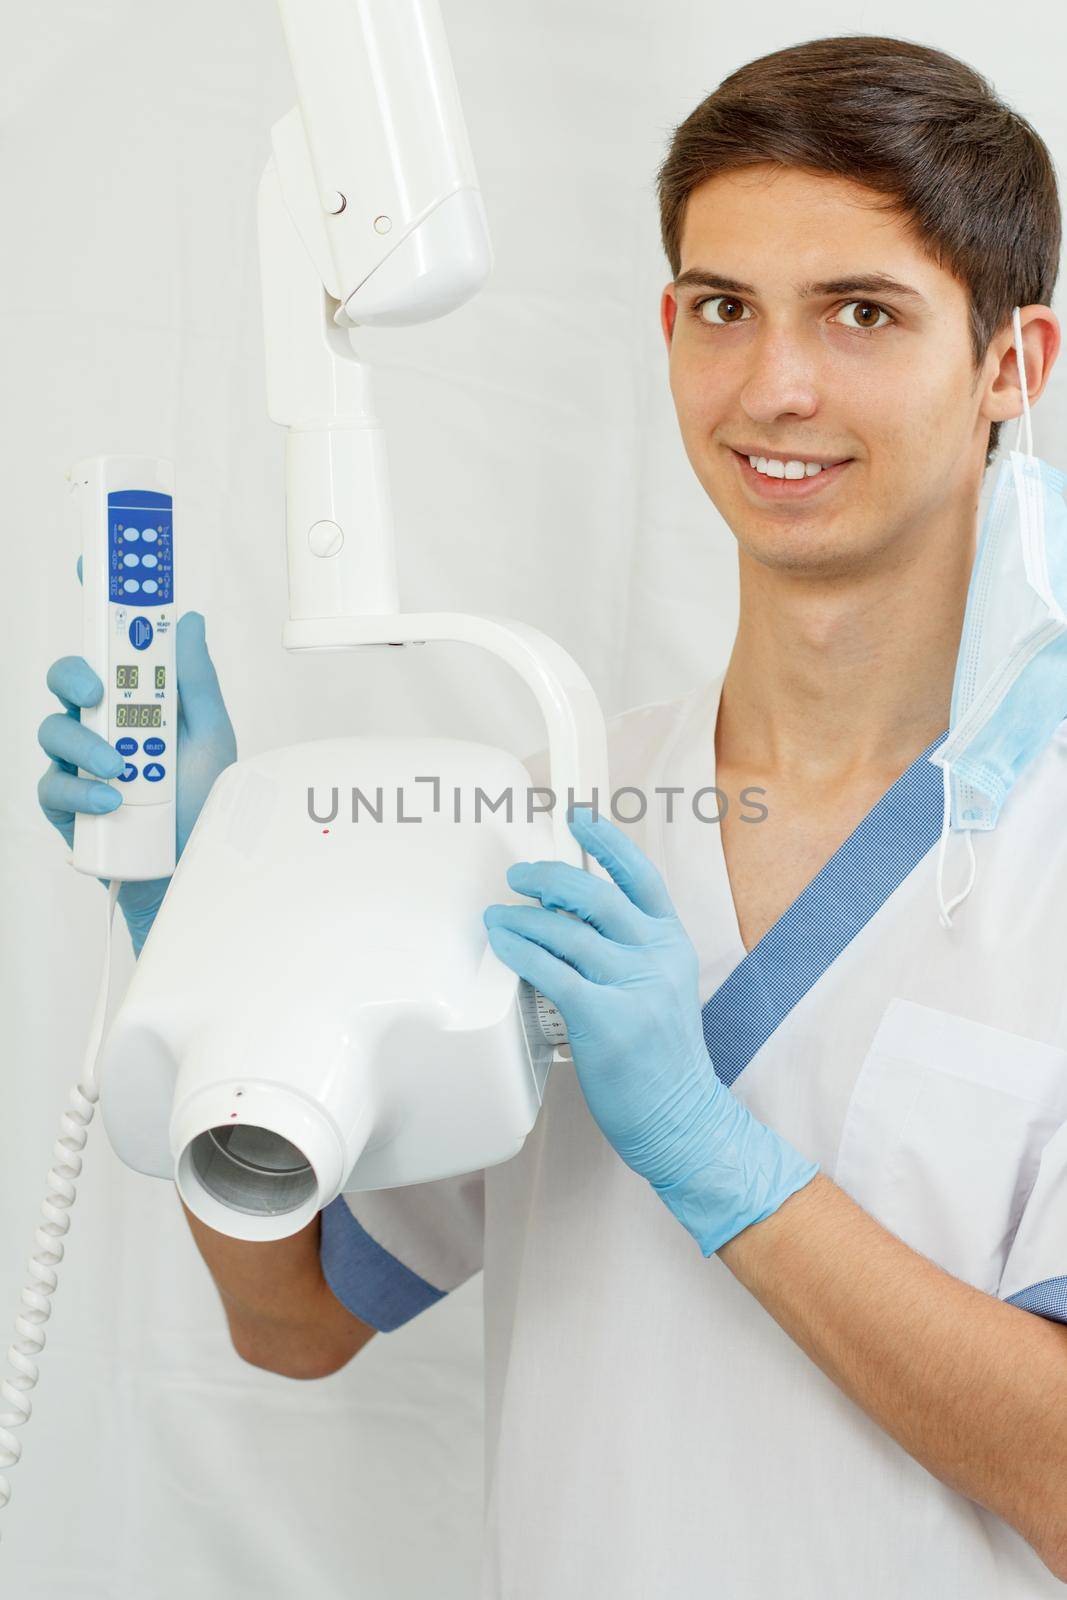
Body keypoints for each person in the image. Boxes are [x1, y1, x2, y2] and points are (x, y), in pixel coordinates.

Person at [37, 32, 1067, 1598]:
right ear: (668, 329)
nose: (776, 386)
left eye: (862, 313)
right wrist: (196, 953)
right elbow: (296, 1319)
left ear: (1012, 364)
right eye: (725, 308)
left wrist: (713, 1156)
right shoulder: (554, 819)